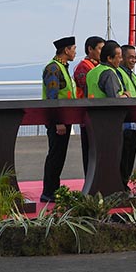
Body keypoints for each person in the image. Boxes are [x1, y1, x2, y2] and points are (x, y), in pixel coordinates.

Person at [39, 36, 78, 203]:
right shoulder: (54, 69)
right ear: (66, 50)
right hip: (58, 121)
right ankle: (49, 191)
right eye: (74, 48)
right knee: (55, 155)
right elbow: (52, 97)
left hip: (65, 119)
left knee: (59, 155)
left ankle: (54, 188)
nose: (76, 52)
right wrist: (58, 122)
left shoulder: (63, 67)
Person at [73, 35, 104, 174]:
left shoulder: (98, 66)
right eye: (100, 49)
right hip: (88, 116)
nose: (102, 52)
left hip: (98, 115)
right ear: (90, 49)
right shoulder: (83, 68)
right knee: (90, 153)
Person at [117, 44, 136, 186]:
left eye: (135, 57)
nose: (133, 60)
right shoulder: (119, 73)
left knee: (130, 158)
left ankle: (125, 184)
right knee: (124, 157)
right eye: (130, 57)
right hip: (125, 124)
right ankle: (121, 185)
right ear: (122, 58)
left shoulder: (132, 75)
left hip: (135, 123)